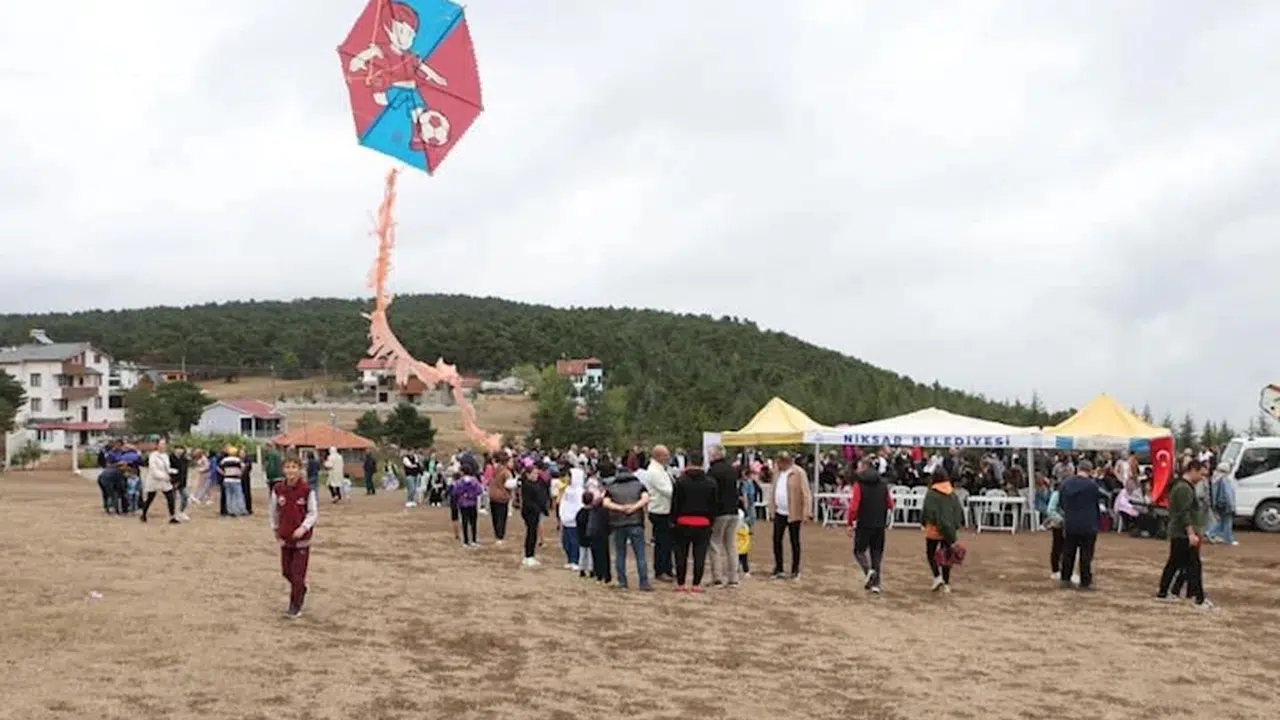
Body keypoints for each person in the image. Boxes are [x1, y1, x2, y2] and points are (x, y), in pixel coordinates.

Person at [1156, 459, 1215, 609]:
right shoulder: (1184, 488)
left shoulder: (1182, 486)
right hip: (1183, 533)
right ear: (1193, 470)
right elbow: (1184, 513)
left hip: (1180, 532)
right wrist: (1191, 533)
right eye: (1201, 474)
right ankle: (1199, 599)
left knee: (1175, 563)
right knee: (1194, 565)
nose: (1202, 478)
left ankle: (1164, 592)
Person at [269, 456, 318, 619]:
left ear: (300, 470)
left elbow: (313, 513)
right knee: (286, 572)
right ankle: (301, 588)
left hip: (302, 540)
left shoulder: (307, 490)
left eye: (294, 467)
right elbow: (274, 511)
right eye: (288, 467)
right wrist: (275, 528)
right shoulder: (278, 489)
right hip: (285, 537)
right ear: (283, 469)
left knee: (298, 575)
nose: (291, 470)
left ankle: (295, 606)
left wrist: (303, 528)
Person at [670, 449, 718, 593]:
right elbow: (714, 505)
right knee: (700, 555)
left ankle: (680, 583)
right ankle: (696, 584)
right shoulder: (711, 482)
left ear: (689, 462)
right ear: (702, 463)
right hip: (703, 523)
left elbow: (675, 503)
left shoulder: (681, 481)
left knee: (681, 554)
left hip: (682, 522)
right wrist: (711, 521)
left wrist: (673, 520)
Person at [602, 459, 652, 591]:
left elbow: (605, 503)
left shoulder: (611, 487)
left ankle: (622, 582)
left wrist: (621, 508)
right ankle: (644, 583)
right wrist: (633, 507)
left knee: (620, 554)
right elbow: (646, 499)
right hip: (635, 522)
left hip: (618, 524)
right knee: (640, 554)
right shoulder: (639, 485)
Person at [846, 458, 894, 594]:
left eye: (859, 467)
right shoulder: (883, 484)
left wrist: (850, 522)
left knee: (859, 551)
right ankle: (876, 585)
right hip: (879, 524)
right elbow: (890, 504)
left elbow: (854, 506)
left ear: (864, 468)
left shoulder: (859, 485)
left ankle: (868, 572)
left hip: (864, 523)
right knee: (876, 553)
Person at [766, 452, 812, 580]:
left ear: (785, 462)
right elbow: (773, 490)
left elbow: (806, 493)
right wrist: (771, 508)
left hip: (794, 512)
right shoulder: (777, 473)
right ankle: (779, 567)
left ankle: (795, 569)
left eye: (779, 462)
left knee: (794, 541)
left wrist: (807, 512)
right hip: (779, 512)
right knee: (776, 539)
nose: (777, 465)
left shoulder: (799, 473)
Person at [1058, 459, 1103, 590]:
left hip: (1071, 523)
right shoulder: (1092, 486)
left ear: (1077, 469)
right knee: (1086, 555)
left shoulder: (1065, 484)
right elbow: (1099, 499)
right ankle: (1085, 581)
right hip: (1088, 524)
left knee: (1068, 552)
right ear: (1090, 471)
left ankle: (1065, 579)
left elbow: (1061, 503)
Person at [920, 468, 963, 593]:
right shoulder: (952, 494)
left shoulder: (931, 493)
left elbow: (927, 510)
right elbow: (957, 511)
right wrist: (955, 525)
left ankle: (937, 576)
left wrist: (923, 522)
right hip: (948, 529)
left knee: (931, 553)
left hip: (933, 529)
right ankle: (946, 583)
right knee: (946, 556)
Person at [707, 445, 741, 588]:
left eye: (710, 454)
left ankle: (717, 577)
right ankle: (733, 578)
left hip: (719, 512)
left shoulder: (713, 471)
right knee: (731, 545)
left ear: (715, 455)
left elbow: (711, 493)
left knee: (714, 544)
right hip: (734, 511)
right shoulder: (732, 470)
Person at [641, 444, 675, 583]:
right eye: (666, 455)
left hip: (665, 509)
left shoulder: (662, 469)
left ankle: (667, 568)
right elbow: (667, 490)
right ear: (658, 456)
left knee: (667, 542)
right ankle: (660, 570)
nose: (668, 457)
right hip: (659, 511)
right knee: (662, 542)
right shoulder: (654, 471)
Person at [518, 464, 550, 567]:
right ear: (528, 475)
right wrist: (538, 508)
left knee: (533, 533)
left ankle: (530, 555)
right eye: (534, 473)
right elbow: (528, 501)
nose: (536, 475)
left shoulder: (537, 483)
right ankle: (529, 556)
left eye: (536, 473)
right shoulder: (527, 485)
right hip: (530, 513)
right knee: (531, 534)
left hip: (535, 512)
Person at [141, 438, 179, 524]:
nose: (163, 446)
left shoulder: (165, 456)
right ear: (157, 445)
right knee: (150, 498)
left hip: (164, 480)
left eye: (164, 444)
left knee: (170, 497)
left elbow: (166, 467)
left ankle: (172, 517)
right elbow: (154, 470)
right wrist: (164, 477)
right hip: (154, 480)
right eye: (161, 444)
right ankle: (144, 514)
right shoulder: (153, 456)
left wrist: (173, 471)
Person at [558, 466, 585, 569]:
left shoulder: (579, 491)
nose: (567, 478)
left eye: (569, 476)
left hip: (574, 521)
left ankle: (575, 560)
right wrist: (562, 515)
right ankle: (570, 559)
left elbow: (579, 506)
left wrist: (574, 517)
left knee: (574, 541)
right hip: (566, 520)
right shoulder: (567, 489)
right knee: (566, 541)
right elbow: (563, 502)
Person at [452, 461, 484, 548]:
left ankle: (466, 541)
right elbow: (479, 491)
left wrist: (462, 496)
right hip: (473, 503)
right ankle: (474, 540)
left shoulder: (459, 482)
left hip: (463, 504)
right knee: (473, 522)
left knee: (464, 522)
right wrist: (472, 495)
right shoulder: (474, 481)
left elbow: (455, 492)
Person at [1207, 462, 1238, 546]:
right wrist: (1232, 505)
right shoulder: (1225, 479)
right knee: (1227, 522)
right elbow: (1228, 494)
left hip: (1218, 503)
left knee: (1221, 520)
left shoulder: (1215, 478)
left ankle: (1212, 533)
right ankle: (1228, 539)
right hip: (1226, 504)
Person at [489, 452, 514, 544]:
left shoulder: (495, 469)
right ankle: (500, 536)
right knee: (501, 517)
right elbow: (509, 485)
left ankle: (497, 534)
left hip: (493, 495)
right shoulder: (506, 472)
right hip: (502, 496)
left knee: (495, 517)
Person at [221, 446, 247, 517]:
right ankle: (241, 510)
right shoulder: (237, 460)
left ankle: (230, 511)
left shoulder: (224, 460)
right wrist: (240, 473)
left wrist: (224, 473)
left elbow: (220, 468)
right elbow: (243, 467)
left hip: (226, 479)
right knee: (239, 495)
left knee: (229, 495)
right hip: (235, 479)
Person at [170, 444, 191, 522]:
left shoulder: (184, 459)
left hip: (182, 482)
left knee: (185, 497)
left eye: (181, 449)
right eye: (178, 448)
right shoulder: (170, 458)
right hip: (173, 482)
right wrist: (174, 480)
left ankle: (181, 512)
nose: (180, 450)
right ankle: (173, 514)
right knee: (173, 499)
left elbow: (184, 472)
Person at [736, 508, 751, 577]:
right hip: (740, 546)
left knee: (743, 559)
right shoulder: (744, 526)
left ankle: (745, 571)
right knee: (740, 559)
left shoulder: (744, 526)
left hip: (742, 546)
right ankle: (742, 570)